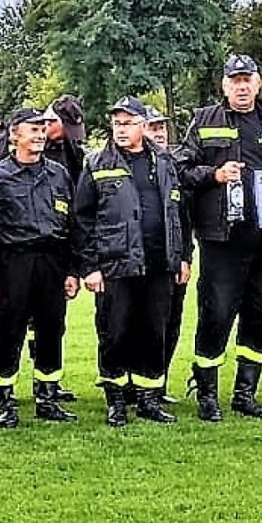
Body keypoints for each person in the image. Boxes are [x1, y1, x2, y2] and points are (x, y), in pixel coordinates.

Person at [174, 53, 262, 422]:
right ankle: (207, 393)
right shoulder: (204, 121)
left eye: (247, 80)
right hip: (222, 238)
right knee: (217, 314)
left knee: (261, 317)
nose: (241, 87)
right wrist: (215, 174)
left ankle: (246, 392)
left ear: (258, 83)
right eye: (234, 81)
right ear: (224, 85)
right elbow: (181, 168)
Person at [73, 97, 188, 426]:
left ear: (143, 126)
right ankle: (116, 401)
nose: (121, 129)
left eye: (128, 123)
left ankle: (149, 398)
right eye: (117, 123)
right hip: (116, 263)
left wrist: (181, 256)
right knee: (115, 332)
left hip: (158, 263)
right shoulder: (98, 163)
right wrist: (89, 266)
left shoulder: (165, 161)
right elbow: (82, 219)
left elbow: (177, 211)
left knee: (154, 331)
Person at [0, 106, 79, 427]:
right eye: (32, 129)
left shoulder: (58, 173)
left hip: (52, 259)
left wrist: (71, 270)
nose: (39, 135)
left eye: (42, 129)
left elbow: (71, 225)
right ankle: (4, 398)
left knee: (52, 329)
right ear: (15, 135)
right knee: (10, 331)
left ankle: (47, 397)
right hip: (14, 261)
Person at [144, 105, 190, 404]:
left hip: (172, 257)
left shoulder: (174, 165)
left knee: (170, 322)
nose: (159, 132)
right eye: (152, 127)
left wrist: (185, 255)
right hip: (137, 259)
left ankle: (158, 385)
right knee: (140, 323)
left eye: (162, 127)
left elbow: (184, 216)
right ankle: (133, 387)